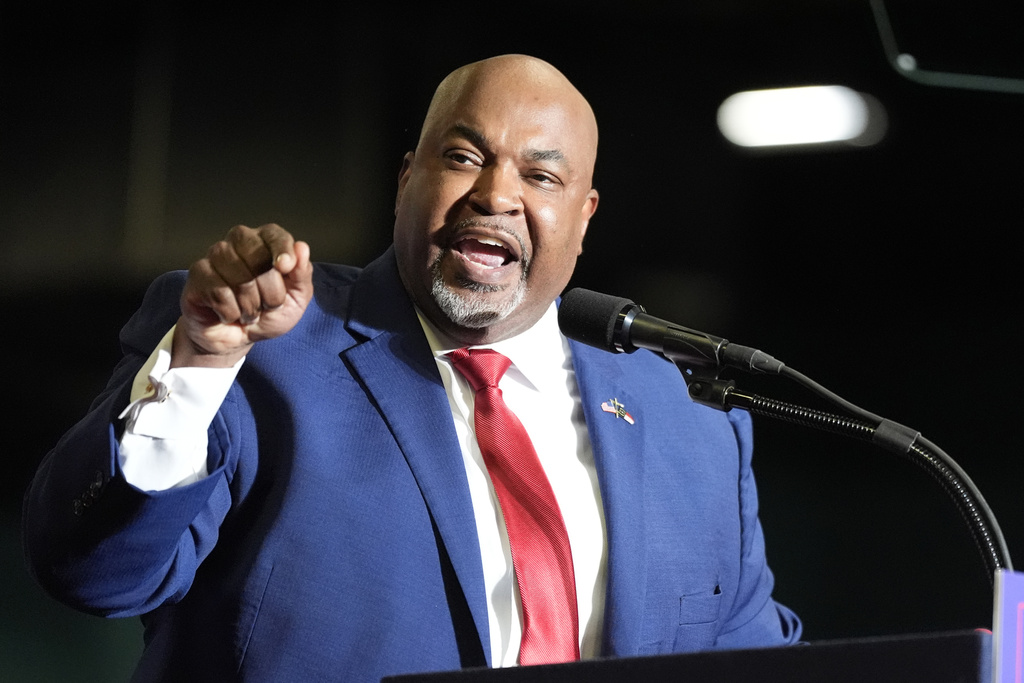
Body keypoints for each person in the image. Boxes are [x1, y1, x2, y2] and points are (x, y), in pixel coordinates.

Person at [23, 54, 801, 682]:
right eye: (464, 157)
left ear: (584, 216)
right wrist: (201, 364)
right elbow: (93, 573)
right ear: (406, 183)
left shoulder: (689, 425)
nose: (495, 193)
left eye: (541, 175)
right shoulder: (261, 348)